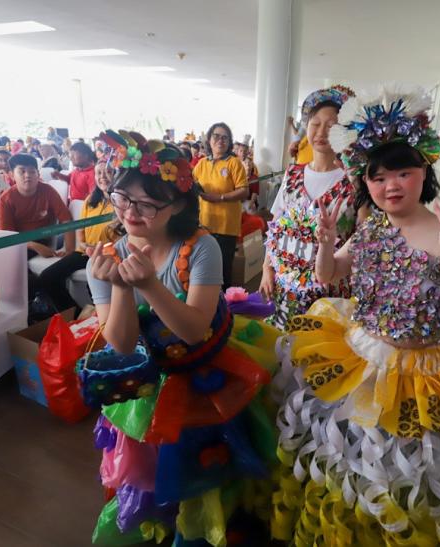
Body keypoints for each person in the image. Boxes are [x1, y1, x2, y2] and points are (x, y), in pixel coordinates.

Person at [270, 87, 440, 545]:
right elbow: (329, 275)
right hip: (364, 359)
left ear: (423, 173)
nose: (391, 185)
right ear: (365, 182)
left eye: (403, 173)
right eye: (378, 177)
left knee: (413, 471)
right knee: (358, 464)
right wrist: (326, 241)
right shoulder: (371, 227)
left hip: (427, 371)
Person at [85, 134, 275, 545]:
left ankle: (203, 529)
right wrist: (119, 285)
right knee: (151, 469)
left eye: (149, 203)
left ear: (179, 205)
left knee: (203, 464)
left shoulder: (200, 246)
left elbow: (193, 329)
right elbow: (120, 344)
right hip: (148, 383)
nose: (132, 213)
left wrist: (151, 286)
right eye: (123, 199)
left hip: (201, 371)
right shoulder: (105, 257)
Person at [259, 86, 358, 329]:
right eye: (315, 123)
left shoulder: (355, 180)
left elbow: (362, 236)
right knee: (282, 347)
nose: (321, 132)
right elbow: (275, 226)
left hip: (331, 292)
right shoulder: (292, 174)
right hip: (287, 287)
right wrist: (266, 268)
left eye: (332, 125)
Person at [38, 161, 115, 311]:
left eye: (108, 172)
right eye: (99, 173)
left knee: (96, 288)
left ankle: (100, 319)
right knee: (47, 278)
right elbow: (81, 227)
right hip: (84, 252)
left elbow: (124, 236)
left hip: (108, 256)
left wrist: (102, 250)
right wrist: (83, 243)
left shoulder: (122, 202)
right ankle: (77, 316)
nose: (103, 177)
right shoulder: (91, 200)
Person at [193, 123, 248, 288]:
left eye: (225, 137)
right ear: (209, 140)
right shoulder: (202, 163)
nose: (220, 140)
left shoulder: (233, 163)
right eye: (216, 136)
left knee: (223, 271)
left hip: (226, 226)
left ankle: (225, 309)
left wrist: (220, 198)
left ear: (230, 142)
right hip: (204, 225)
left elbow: (244, 191)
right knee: (204, 268)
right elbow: (191, 183)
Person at [0, 153, 74, 260]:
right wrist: (33, 245)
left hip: (43, 238)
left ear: (38, 174)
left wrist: (69, 251)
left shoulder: (48, 191)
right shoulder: (5, 199)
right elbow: (8, 235)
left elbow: (66, 220)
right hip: (18, 242)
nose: (27, 175)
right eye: (22, 171)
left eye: (32, 171)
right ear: (11, 175)